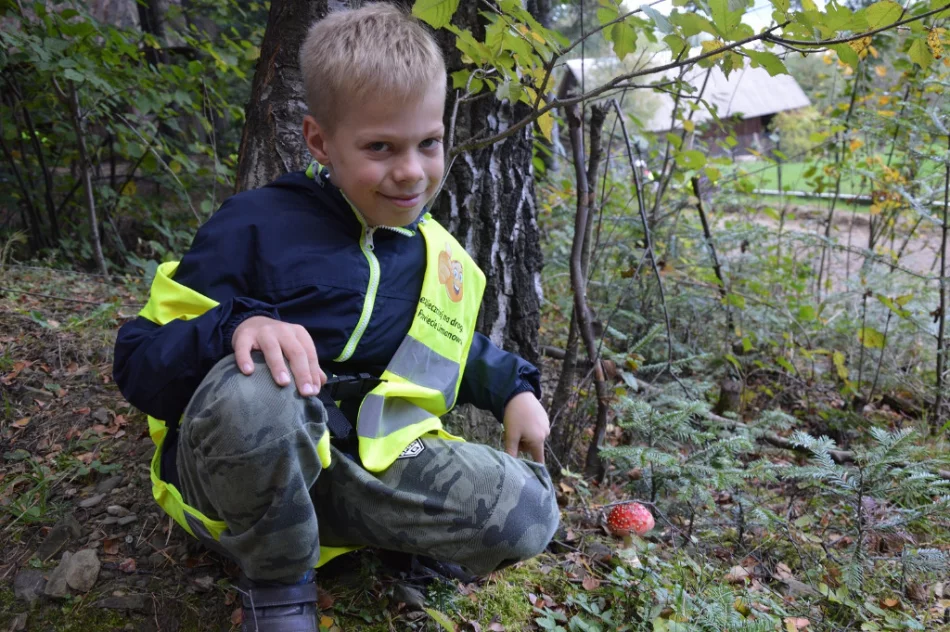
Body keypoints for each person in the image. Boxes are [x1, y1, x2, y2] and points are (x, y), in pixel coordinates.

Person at [112, 4, 559, 631]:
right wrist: (237, 327)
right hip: (237, 468)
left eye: (428, 143)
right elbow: (138, 361)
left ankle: (376, 537)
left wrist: (515, 389)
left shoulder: (433, 253)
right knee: (261, 386)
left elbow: (450, 344)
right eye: (380, 147)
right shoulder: (255, 225)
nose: (411, 171)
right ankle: (278, 588)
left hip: (352, 469)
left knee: (529, 512)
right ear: (320, 140)